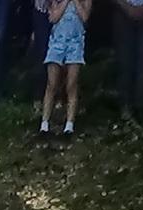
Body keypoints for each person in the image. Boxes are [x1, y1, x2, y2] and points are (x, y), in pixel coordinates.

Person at [38, 0, 90, 135]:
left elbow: (84, 17)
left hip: (75, 43)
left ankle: (69, 125)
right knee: (51, 84)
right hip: (57, 42)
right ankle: (44, 124)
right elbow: (53, 18)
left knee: (71, 84)